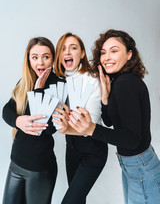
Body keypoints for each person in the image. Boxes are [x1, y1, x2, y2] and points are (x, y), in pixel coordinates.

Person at [62, 29, 160, 204]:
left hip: (140, 166)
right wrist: (106, 100)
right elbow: (110, 121)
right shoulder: (120, 81)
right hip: (135, 164)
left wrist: (91, 129)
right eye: (103, 52)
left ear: (129, 54)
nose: (107, 57)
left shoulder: (126, 84)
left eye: (114, 51)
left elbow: (132, 140)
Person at [2, 37, 64, 204]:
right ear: (28, 60)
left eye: (46, 56)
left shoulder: (59, 86)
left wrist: (38, 90)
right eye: (35, 57)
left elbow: (47, 127)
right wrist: (18, 121)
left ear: (53, 58)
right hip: (15, 163)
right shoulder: (25, 82)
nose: (40, 62)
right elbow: (6, 111)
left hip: (40, 169)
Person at [52, 32, 108, 204]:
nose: (67, 52)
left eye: (73, 48)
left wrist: (64, 129)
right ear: (59, 56)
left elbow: (91, 123)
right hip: (72, 147)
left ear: (82, 53)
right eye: (63, 49)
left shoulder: (92, 79)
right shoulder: (60, 81)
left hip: (93, 149)